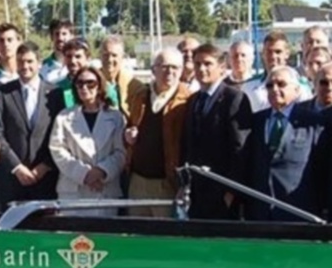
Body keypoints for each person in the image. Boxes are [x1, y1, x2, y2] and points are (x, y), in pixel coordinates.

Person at [244, 66, 326, 221]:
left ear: (296, 90)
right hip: (259, 212)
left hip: (298, 211)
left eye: (281, 84)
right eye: (269, 85)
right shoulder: (256, 121)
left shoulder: (312, 122)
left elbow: (322, 169)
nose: (274, 89)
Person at [181, 43, 251, 220]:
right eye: (197, 64)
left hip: (223, 192)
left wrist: (231, 192)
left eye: (207, 64)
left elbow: (240, 149)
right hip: (197, 191)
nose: (201, 69)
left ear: (221, 67)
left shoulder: (234, 98)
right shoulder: (193, 101)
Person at [49, 66, 126, 217]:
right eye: (80, 83)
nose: (85, 87)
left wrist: (101, 172)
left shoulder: (116, 117)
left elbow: (121, 152)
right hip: (73, 190)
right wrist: (84, 174)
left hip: (105, 189)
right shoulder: (64, 117)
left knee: (104, 238)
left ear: (100, 85)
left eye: (90, 83)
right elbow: (57, 150)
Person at [124, 48, 191, 217]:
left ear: (182, 70)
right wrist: (127, 135)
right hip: (137, 182)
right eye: (164, 66)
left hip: (167, 184)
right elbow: (130, 127)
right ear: (153, 69)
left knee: (165, 239)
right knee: (136, 237)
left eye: (175, 67)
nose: (169, 72)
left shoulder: (188, 100)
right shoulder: (140, 97)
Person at [0, 42, 58, 207]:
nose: (25, 66)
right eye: (21, 61)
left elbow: (59, 134)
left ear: (39, 63)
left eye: (29, 61)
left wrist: (45, 165)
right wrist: (16, 166)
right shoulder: (3, 93)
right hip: (13, 179)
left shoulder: (55, 94)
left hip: (46, 178)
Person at [242, 31, 312, 112]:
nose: (273, 56)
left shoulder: (300, 85)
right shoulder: (249, 85)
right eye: (269, 52)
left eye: (278, 52)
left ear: (287, 54)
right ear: (263, 54)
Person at [100, 35, 143, 119]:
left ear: (122, 57)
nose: (109, 59)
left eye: (114, 55)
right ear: (100, 56)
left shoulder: (135, 86)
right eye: (106, 55)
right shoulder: (90, 83)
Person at [40, 19, 74, 85]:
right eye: (57, 34)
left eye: (64, 34)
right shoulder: (42, 67)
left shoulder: (78, 64)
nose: (60, 38)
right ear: (51, 37)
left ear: (72, 36)